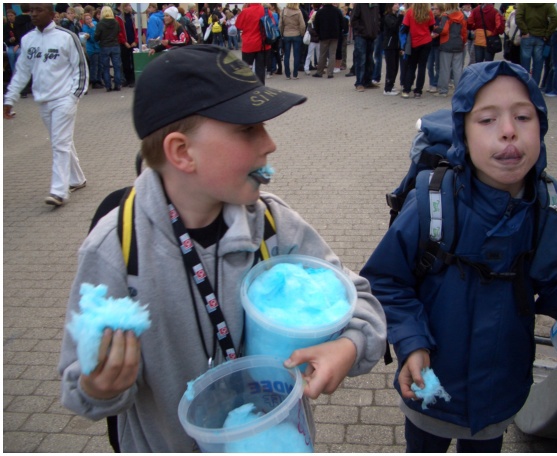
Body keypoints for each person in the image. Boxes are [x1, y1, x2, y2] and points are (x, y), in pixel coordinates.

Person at [57, 44, 387, 453]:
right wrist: (100, 387)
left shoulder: (272, 225)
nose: (270, 143)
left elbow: (361, 300)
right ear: (182, 152)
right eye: (248, 129)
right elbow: (78, 384)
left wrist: (349, 345)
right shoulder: (118, 250)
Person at [360, 60, 557, 453]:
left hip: (500, 390)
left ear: (542, 126)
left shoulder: (547, 204)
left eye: (523, 116)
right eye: (487, 120)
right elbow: (386, 280)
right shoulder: (432, 202)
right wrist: (411, 341)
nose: (509, 130)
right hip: (430, 384)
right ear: (462, 132)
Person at [3, 3, 88, 207]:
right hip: (42, 101)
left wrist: (74, 95)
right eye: (32, 10)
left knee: (59, 143)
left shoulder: (67, 37)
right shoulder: (28, 39)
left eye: (38, 10)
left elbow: (80, 67)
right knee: (62, 141)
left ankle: (59, 191)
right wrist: (9, 99)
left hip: (64, 99)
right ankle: (77, 179)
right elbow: (22, 71)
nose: (33, 14)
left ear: (51, 14)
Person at [515, 3, 557, 85]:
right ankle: (535, 86)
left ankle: (525, 85)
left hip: (527, 36)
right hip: (541, 36)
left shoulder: (523, 4)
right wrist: (547, 34)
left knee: (525, 63)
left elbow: (518, 18)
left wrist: (525, 31)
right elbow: (555, 18)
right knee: (538, 64)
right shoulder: (548, 4)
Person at [432, 3, 467, 97]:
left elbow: (444, 30)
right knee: (458, 69)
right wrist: (463, 42)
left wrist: (435, 28)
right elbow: (464, 31)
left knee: (445, 68)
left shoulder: (446, 16)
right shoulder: (462, 15)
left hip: (446, 44)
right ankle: (459, 90)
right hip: (458, 43)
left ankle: (443, 90)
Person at [401, 3, 435, 99]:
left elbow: (405, 27)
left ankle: (406, 90)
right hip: (426, 41)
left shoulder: (410, 12)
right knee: (422, 67)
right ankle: (418, 91)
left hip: (414, 42)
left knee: (411, 66)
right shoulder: (428, 12)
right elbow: (431, 27)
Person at [236, 3, 271, 84]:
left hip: (249, 44)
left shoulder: (245, 11)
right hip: (263, 44)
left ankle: (248, 87)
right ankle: (260, 87)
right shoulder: (266, 11)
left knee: (247, 69)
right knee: (260, 69)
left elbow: (238, 25)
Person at [350, 3, 381, 92]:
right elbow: (353, 20)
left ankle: (368, 81)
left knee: (369, 59)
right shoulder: (360, 4)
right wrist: (362, 30)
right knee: (361, 60)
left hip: (371, 36)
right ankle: (359, 83)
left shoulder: (375, 5)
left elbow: (378, 19)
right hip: (361, 36)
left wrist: (376, 30)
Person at [95, 6, 122, 92]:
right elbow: (118, 32)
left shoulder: (100, 24)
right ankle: (118, 85)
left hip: (105, 46)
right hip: (115, 45)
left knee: (106, 67)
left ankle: (108, 86)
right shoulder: (116, 22)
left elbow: (96, 37)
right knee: (117, 66)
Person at [312, 3, 342, 79]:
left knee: (322, 54)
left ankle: (320, 72)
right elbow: (342, 22)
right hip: (335, 35)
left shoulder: (320, 11)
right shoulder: (337, 11)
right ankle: (330, 73)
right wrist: (339, 31)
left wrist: (319, 33)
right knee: (332, 54)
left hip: (324, 35)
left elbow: (316, 24)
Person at [280, 3, 306, 80]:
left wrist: (282, 33)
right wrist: (302, 34)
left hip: (286, 34)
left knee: (286, 55)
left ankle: (287, 74)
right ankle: (295, 74)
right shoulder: (298, 11)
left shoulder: (283, 11)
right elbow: (302, 25)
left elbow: (280, 24)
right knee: (296, 55)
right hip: (296, 34)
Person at [382, 4, 401, 95]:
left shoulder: (395, 16)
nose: (397, 5)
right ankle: (387, 89)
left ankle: (391, 84)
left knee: (395, 67)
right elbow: (393, 27)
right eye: (395, 4)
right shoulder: (388, 17)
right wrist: (401, 17)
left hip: (396, 45)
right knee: (391, 67)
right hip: (389, 45)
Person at [118, 4, 137, 88]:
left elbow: (138, 29)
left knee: (134, 61)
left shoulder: (134, 17)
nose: (130, 7)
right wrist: (124, 42)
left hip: (133, 42)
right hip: (124, 43)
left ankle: (133, 79)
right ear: (124, 7)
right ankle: (127, 79)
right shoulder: (119, 18)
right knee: (125, 62)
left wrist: (136, 41)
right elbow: (119, 32)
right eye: (128, 5)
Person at [82, 12, 103, 89]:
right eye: (87, 19)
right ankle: (94, 81)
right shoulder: (85, 27)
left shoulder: (95, 24)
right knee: (94, 65)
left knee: (100, 65)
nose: (89, 20)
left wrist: (93, 29)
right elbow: (92, 38)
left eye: (89, 18)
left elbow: (97, 35)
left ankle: (99, 80)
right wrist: (92, 29)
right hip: (91, 49)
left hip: (98, 47)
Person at [426, 4, 443, 93]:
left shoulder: (442, 19)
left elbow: (443, 30)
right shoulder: (431, 18)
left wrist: (437, 34)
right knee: (429, 66)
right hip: (430, 44)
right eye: (433, 9)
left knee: (438, 66)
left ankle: (436, 84)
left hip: (439, 44)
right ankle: (431, 83)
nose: (434, 11)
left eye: (436, 9)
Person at [304, 8, 320, 75]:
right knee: (309, 54)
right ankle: (306, 68)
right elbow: (311, 31)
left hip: (314, 40)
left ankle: (319, 67)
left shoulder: (312, 23)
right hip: (314, 40)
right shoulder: (311, 23)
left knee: (318, 55)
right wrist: (318, 34)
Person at [4, 9, 19, 77]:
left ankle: (20, 72)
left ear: (15, 16)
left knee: (19, 53)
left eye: (11, 15)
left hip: (19, 45)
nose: (10, 17)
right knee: (10, 54)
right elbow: (5, 39)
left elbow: (22, 36)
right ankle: (14, 74)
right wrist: (9, 40)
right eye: (8, 16)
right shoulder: (6, 26)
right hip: (11, 45)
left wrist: (18, 45)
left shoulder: (19, 24)